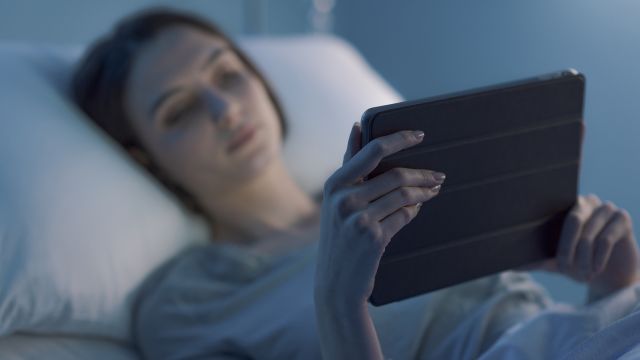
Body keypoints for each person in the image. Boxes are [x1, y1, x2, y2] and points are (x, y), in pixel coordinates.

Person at [72, 7, 640, 359]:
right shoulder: (185, 303)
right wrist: (339, 304)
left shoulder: (400, 192)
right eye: (179, 111)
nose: (223, 108)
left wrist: (611, 286)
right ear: (143, 160)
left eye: (228, 74)